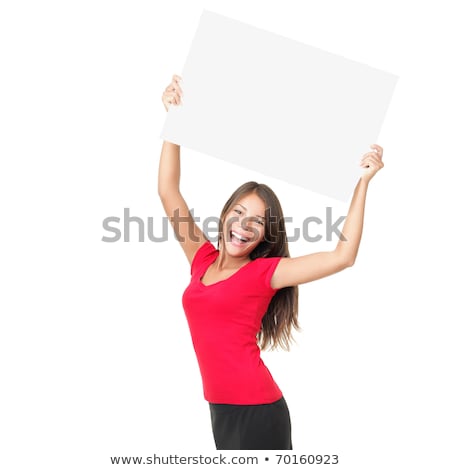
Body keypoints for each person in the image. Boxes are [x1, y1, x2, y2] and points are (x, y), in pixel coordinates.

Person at [158, 74, 384, 450]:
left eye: (257, 222)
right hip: (220, 409)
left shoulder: (263, 274)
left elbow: (343, 256)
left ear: (265, 235)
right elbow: (168, 189)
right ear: (225, 213)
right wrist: (174, 121)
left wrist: (363, 183)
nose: (244, 226)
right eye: (239, 212)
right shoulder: (201, 260)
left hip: (258, 412)